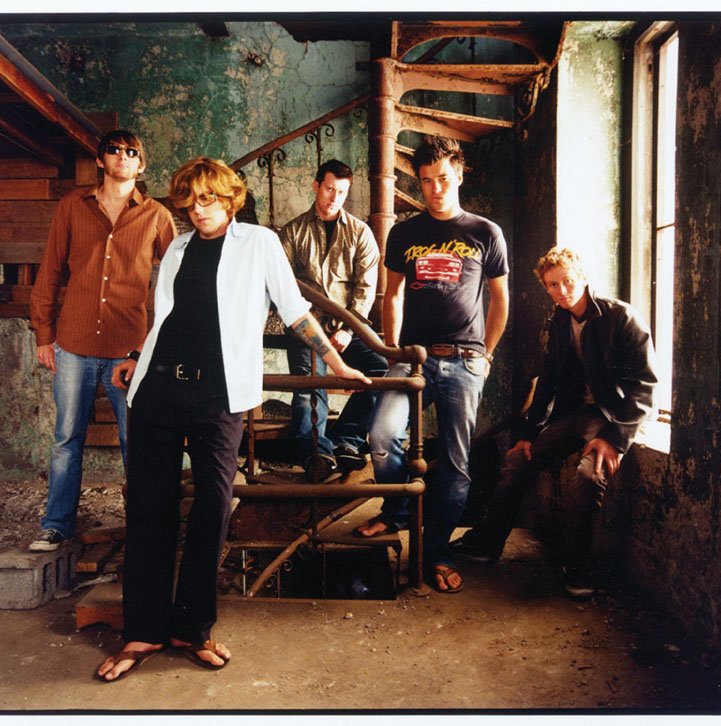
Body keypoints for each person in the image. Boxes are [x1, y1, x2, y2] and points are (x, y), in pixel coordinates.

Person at [96, 157, 369, 682]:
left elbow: (295, 311)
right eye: (190, 202)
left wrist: (336, 365)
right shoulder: (178, 248)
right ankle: (143, 630)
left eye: (208, 200)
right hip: (157, 390)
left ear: (229, 199)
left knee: (214, 506)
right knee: (149, 507)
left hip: (217, 396)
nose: (198, 210)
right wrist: (136, 355)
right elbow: (166, 316)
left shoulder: (259, 243)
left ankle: (191, 628)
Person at [450, 246, 657, 599]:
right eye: (552, 285)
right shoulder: (560, 321)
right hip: (578, 415)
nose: (562, 290)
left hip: (615, 417)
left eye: (567, 281)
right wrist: (528, 434)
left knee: (589, 475)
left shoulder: (621, 317)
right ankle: (485, 544)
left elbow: (645, 384)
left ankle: (576, 567)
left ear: (584, 277)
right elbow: (547, 380)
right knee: (519, 459)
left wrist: (616, 438)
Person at [356, 136, 510, 595]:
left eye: (443, 178)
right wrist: (392, 348)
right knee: (381, 437)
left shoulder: (485, 232)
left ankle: (437, 553)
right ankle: (398, 510)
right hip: (412, 359)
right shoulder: (404, 233)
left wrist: (486, 354)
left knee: (456, 465)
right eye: (426, 181)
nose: (435, 188)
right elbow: (393, 294)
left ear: (458, 175)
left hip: (464, 361)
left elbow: (500, 299)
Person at [28, 129, 177, 552]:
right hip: (73, 343)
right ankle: (57, 525)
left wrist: (159, 339)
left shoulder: (156, 215)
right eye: (114, 150)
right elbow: (50, 270)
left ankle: (145, 527)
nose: (123, 157)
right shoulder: (73, 206)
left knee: (138, 441)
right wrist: (44, 335)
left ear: (141, 165)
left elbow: (178, 276)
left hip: (128, 349)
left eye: (132, 152)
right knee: (66, 439)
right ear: (100, 160)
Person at [278, 159, 388, 481]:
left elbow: (365, 289)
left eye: (341, 192)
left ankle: (347, 440)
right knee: (311, 386)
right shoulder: (292, 232)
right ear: (316, 186)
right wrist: (313, 328)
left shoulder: (361, 233)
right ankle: (317, 455)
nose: (334, 197)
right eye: (329, 189)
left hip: (348, 330)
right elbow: (283, 288)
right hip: (306, 330)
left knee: (382, 371)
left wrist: (348, 330)